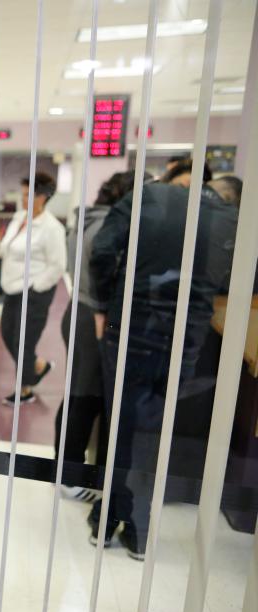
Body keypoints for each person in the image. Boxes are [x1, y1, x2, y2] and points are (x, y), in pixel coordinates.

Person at [89, 176, 237, 560]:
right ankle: (137, 530)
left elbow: (102, 251)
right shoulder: (230, 220)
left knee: (119, 422)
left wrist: (108, 301)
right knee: (154, 429)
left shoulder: (149, 196)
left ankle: (106, 521)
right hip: (183, 340)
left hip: (132, 329)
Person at [53, 171, 134, 502]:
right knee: (84, 397)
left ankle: (65, 467)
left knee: (78, 392)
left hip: (80, 312)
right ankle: (70, 475)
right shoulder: (106, 228)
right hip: (93, 316)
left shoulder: (87, 220)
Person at [0, 171, 66, 404]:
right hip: (12, 289)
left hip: (33, 292)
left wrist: (37, 287)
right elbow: (8, 249)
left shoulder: (51, 228)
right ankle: (39, 365)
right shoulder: (19, 218)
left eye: (28, 195)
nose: (23, 199)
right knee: (8, 334)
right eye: (23, 194)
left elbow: (58, 265)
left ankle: (24, 390)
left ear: (42, 197)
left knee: (23, 341)